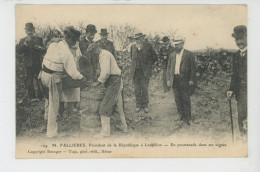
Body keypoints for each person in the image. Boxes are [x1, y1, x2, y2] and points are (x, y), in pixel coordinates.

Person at [39, 26, 86, 138]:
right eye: (74, 41)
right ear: (70, 39)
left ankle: (48, 124)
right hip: (52, 77)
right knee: (54, 105)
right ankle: (51, 133)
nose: (74, 43)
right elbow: (73, 72)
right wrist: (82, 78)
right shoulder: (66, 51)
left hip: (43, 74)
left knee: (49, 100)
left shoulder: (54, 43)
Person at [86, 43, 127, 139]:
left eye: (93, 52)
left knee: (105, 106)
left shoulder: (104, 55)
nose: (93, 55)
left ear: (96, 49)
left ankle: (105, 132)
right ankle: (123, 127)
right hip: (115, 80)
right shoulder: (103, 54)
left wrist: (98, 82)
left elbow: (106, 72)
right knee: (118, 106)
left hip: (114, 81)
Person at [166, 36, 196, 125]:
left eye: (178, 45)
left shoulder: (189, 54)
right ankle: (181, 115)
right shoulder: (172, 55)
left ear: (182, 44)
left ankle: (188, 117)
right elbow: (168, 68)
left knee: (186, 98)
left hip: (185, 80)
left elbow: (193, 69)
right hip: (174, 79)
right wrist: (168, 79)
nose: (176, 47)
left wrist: (191, 79)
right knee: (177, 98)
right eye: (175, 45)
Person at [16, 22, 46, 101]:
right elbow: (18, 51)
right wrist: (25, 44)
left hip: (38, 63)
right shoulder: (22, 40)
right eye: (28, 30)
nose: (29, 31)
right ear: (25, 31)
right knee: (29, 81)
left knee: (39, 80)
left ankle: (41, 96)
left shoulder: (39, 39)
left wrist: (40, 48)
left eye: (31, 30)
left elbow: (44, 50)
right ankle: (32, 97)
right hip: (28, 64)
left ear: (33, 30)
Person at [227, 25, 247, 136]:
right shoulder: (236, 55)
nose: (239, 42)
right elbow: (234, 75)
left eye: (242, 38)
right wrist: (231, 89)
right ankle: (244, 140)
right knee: (242, 116)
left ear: (247, 37)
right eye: (237, 39)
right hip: (241, 93)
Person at [130, 33, 158, 113]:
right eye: (136, 39)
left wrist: (148, 65)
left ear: (142, 38)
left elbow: (155, 57)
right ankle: (138, 105)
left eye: (139, 38)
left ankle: (145, 106)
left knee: (144, 89)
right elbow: (132, 58)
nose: (137, 40)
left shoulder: (148, 46)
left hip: (145, 72)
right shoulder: (133, 47)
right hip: (135, 72)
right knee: (137, 89)